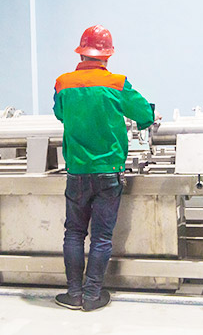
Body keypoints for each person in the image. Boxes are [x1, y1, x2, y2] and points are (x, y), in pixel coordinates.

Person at [53, 25, 160, 312]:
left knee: (74, 233)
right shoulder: (117, 83)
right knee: (101, 237)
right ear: (107, 55)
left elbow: (60, 114)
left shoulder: (63, 83)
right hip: (109, 171)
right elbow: (144, 115)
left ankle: (73, 294)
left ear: (81, 53)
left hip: (77, 171)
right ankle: (92, 296)